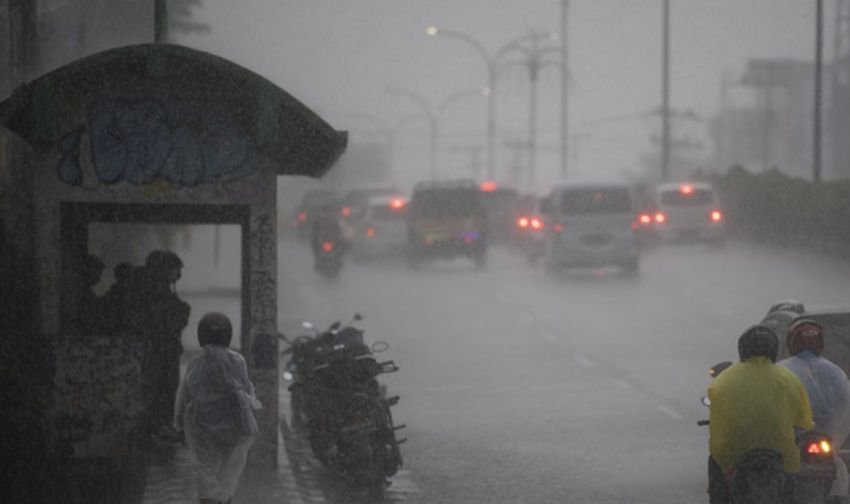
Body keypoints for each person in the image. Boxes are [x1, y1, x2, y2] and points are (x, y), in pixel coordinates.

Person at [707, 324, 815, 503]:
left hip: (735, 457)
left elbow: (718, 430)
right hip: (783, 459)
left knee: (716, 467)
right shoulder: (789, 379)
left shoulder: (722, 382)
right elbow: (805, 421)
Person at [174, 312, 261, 504]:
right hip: (232, 430)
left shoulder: (196, 364)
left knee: (206, 477)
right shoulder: (238, 361)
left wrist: (179, 426)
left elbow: (184, 397)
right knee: (227, 477)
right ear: (228, 335)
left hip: (202, 430)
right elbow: (247, 391)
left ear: (201, 335)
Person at [778, 319, 850, 497]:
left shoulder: (781, 371)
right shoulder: (835, 372)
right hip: (827, 444)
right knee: (840, 477)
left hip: (791, 445)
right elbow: (844, 409)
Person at [139, 250, 191, 437]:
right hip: (160, 350)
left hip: (164, 349)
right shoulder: (156, 292)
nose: (178, 274)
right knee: (163, 388)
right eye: (175, 269)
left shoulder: (160, 291)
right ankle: (159, 426)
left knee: (165, 388)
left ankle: (161, 425)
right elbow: (165, 321)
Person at [76, 254, 106, 334]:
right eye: (98, 273)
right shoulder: (80, 291)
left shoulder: (86, 291)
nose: (99, 278)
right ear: (89, 270)